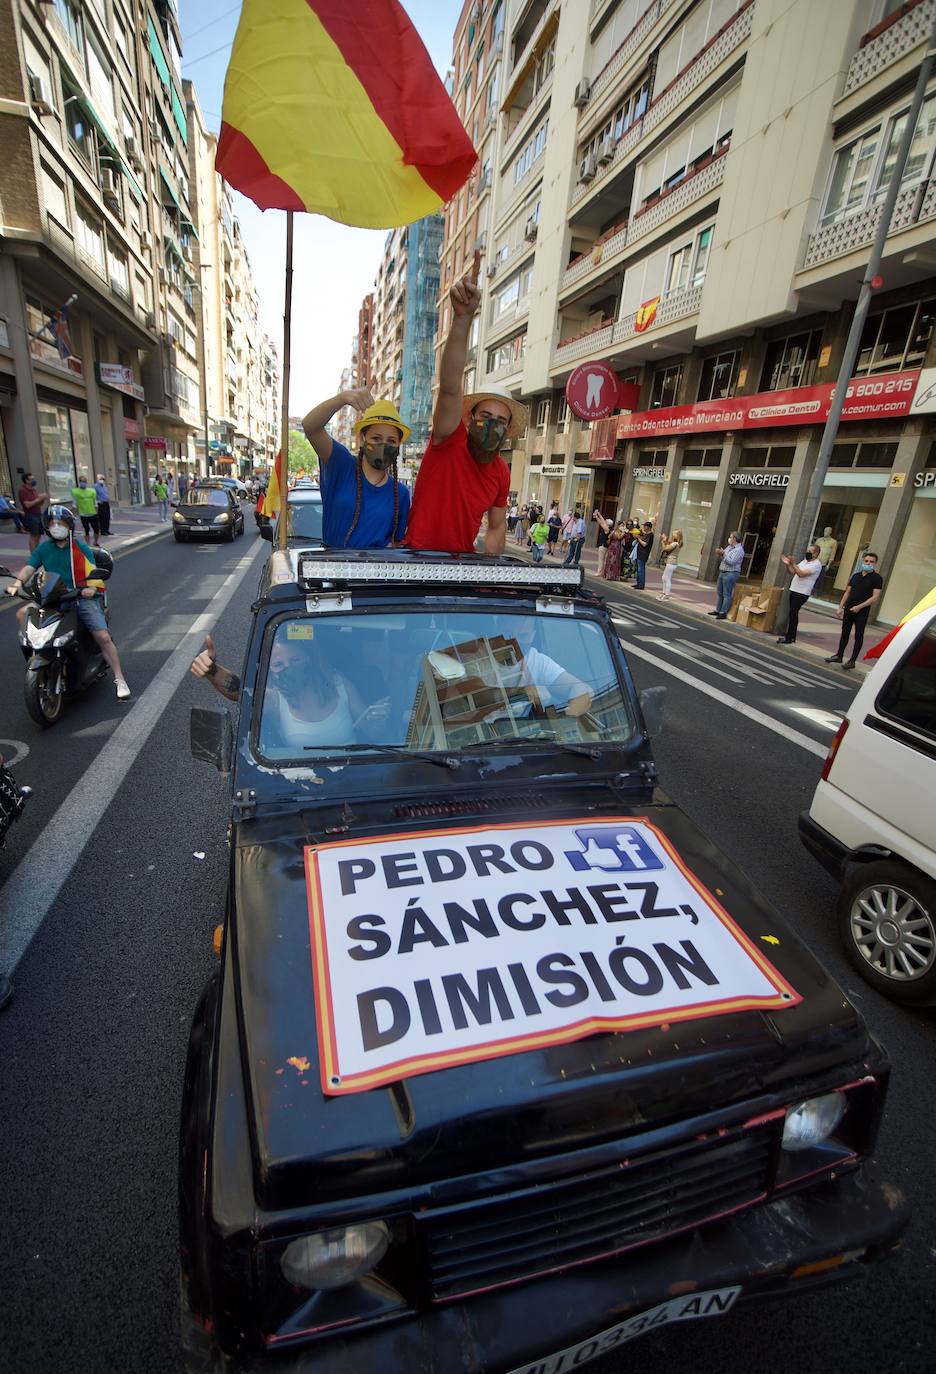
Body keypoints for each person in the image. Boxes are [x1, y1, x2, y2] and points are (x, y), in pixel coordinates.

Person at [404, 252, 526, 555]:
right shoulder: (449, 436)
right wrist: (462, 319)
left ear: (508, 429)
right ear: (469, 419)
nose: (492, 425)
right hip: (416, 564)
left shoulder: (500, 471)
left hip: (460, 571)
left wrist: (490, 580)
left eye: (500, 421)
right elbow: (449, 389)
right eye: (486, 415)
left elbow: (497, 527)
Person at [6, 505, 130, 699]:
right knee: (22, 614)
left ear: (69, 526)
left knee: (103, 637)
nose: (56, 527)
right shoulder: (44, 548)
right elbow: (30, 567)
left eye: (61, 523)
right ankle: (36, 657)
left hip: (79, 597)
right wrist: (17, 583)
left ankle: (119, 678)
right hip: (52, 598)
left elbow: (91, 572)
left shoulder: (78, 548)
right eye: (53, 523)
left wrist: (90, 588)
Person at [190, 631, 364, 752]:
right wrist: (212, 671)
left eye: (295, 659)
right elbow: (241, 691)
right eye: (279, 665)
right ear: (270, 670)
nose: (288, 668)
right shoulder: (275, 700)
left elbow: (372, 730)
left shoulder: (339, 685)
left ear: (309, 659)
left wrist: (375, 718)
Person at [302, 390, 410, 547]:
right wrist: (342, 398)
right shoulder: (341, 464)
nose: (384, 445)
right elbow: (310, 427)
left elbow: (397, 542)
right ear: (363, 439)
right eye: (376, 438)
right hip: (330, 568)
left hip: (375, 570)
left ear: (398, 446)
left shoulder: (401, 493)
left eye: (391, 440)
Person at [827, 551, 883, 669]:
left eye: (871, 562)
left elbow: (875, 597)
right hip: (849, 609)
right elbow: (847, 592)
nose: (868, 563)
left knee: (859, 635)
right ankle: (839, 655)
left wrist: (859, 607)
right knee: (845, 633)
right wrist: (840, 607)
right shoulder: (856, 576)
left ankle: (852, 661)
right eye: (866, 561)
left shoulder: (877, 578)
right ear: (863, 561)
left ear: (875, 563)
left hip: (861, 611)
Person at [777, 543, 823, 645]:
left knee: (793, 613)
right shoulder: (805, 561)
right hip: (794, 589)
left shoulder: (816, 565)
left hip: (802, 592)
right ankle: (791, 636)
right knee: (792, 613)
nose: (807, 553)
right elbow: (793, 571)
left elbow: (801, 574)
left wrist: (793, 563)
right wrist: (788, 563)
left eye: (810, 552)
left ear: (815, 554)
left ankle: (790, 637)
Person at [710, 532, 745, 618]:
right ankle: (718, 610)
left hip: (731, 573)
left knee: (727, 594)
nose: (729, 539)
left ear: (735, 539)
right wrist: (721, 553)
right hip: (723, 572)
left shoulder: (739, 550)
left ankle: (723, 612)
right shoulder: (730, 547)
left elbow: (731, 562)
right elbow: (725, 558)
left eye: (731, 537)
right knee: (720, 592)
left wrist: (723, 553)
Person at [18, 473, 47, 552]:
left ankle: (36, 552)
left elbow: (39, 504)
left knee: (38, 535)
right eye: (31, 479)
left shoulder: (33, 490)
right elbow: (27, 505)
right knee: (33, 535)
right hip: (30, 515)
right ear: (26, 481)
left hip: (38, 514)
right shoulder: (22, 491)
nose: (33, 481)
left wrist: (42, 499)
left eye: (33, 478)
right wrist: (39, 498)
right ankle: (33, 555)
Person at [593, 510, 626, 581]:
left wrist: (596, 517)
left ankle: (600, 572)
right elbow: (602, 521)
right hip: (610, 547)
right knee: (608, 560)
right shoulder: (611, 529)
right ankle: (605, 573)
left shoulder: (607, 529)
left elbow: (601, 523)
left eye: (606, 521)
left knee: (602, 560)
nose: (604, 521)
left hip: (605, 546)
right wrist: (598, 514)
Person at [71, 474, 101, 547]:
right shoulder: (75, 491)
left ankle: (95, 542)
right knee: (86, 530)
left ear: (86, 482)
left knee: (96, 529)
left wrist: (97, 512)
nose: (83, 483)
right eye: (81, 481)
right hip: (83, 514)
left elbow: (95, 503)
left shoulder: (92, 491)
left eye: (84, 481)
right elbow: (74, 504)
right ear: (79, 482)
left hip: (93, 513)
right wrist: (73, 514)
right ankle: (88, 544)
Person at [659, 530, 683, 600]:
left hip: (671, 562)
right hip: (671, 562)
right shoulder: (677, 543)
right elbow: (668, 545)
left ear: (677, 536)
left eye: (674, 534)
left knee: (667, 578)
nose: (672, 535)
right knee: (664, 577)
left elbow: (665, 548)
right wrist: (665, 540)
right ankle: (664, 593)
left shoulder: (675, 544)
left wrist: (663, 541)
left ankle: (667, 595)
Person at [632, 521, 654, 589]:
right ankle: (638, 583)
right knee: (638, 569)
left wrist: (638, 539)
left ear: (648, 527)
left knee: (641, 569)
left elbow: (645, 544)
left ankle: (641, 584)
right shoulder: (645, 534)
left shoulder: (650, 535)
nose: (644, 527)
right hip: (639, 553)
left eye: (645, 526)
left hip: (643, 554)